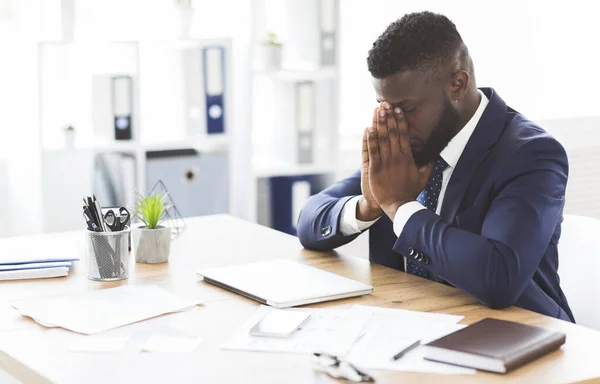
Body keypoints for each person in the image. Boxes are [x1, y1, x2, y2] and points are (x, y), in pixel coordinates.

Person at [297, 11, 574, 322]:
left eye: (408, 108)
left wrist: (400, 206)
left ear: (457, 84)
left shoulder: (532, 154)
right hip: (411, 327)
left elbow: (498, 277)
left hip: (522, 338)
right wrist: (368, 206)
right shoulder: (411, 141)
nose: (395, 121)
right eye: (385, 107)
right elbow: (309, 221)